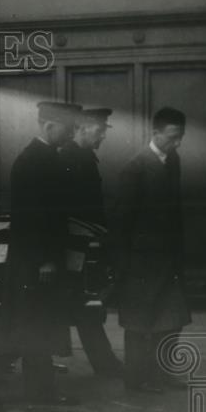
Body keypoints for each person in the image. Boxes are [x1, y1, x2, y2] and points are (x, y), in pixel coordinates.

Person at [0, 101, 81, 405]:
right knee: (35, 323)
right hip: (37, 261)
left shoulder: (45, 159)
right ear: (48, 126)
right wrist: (43, 259)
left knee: (41, 323)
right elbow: (30, 219)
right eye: (67, 129)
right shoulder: (31, 162)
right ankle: (39, 391)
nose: (71, 134)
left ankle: (42, 388)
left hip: (43, 259)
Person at [111, 106, 191, 394]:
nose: (177, 142)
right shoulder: (135, 168)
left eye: (180, 137)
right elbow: (121, 222)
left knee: (171, 320)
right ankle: (135, 380)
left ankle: (161, 375)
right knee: (139, 323)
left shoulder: (173, 161)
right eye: (172, 137)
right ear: (154, 133)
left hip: (168, 261)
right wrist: (124, 267)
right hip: (140, 264)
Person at [60, 108, 124, 377]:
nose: (102, 137)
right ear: (83, 128)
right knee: (81, 304)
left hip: (85, 244)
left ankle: (105, 363)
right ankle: (105, 363)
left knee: (83, 304)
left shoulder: (82, 157)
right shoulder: (72, 158)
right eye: (99, 131)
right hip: (76, 246)